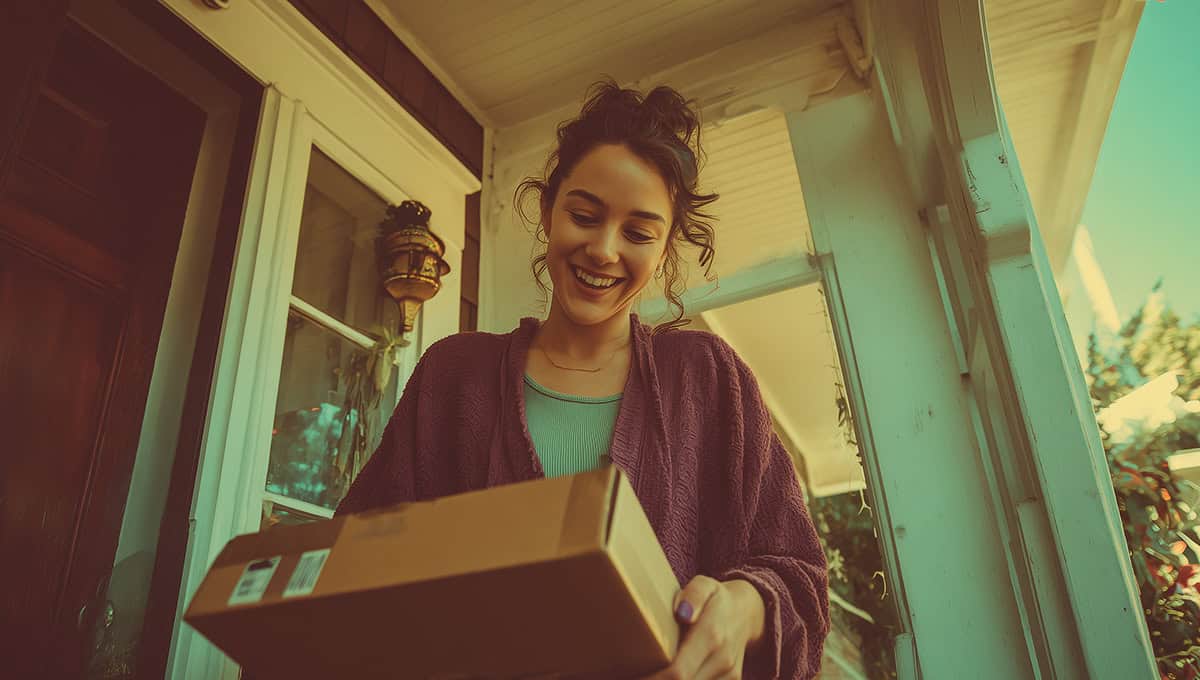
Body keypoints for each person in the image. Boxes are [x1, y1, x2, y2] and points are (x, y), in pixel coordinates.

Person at [337, 79, 830, 679]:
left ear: (667, 247)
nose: (603, 249)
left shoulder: (710, 379)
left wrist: (742, 607)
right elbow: (357, 557)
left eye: (639, 232)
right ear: (548, 211)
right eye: (584, 215)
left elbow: (798, 573)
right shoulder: (452, 376)